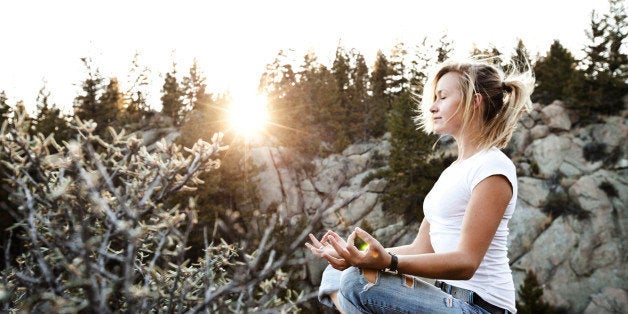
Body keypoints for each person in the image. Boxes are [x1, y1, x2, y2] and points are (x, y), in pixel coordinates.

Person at [306, 57, 534, 314]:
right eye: (434, 98)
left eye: (443, 97)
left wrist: (388, 262)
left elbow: (467, 262)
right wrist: (356, 256)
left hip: (481, 308)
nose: (432, 107)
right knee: (339, 272)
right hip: (448, 300)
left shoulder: (492, 168)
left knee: (357, 280)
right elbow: (421, 249)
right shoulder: (453, 171)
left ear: (475, 103)